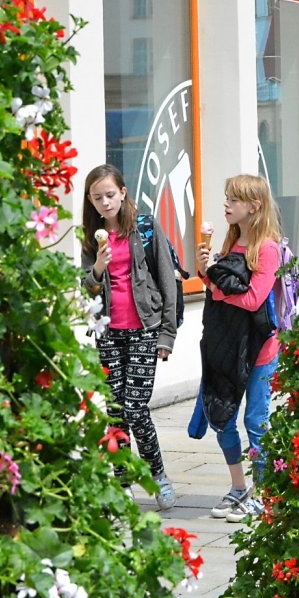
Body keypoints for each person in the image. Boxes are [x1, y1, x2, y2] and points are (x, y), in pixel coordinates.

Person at [80, 164, 178, 510]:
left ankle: (158, 477)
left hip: (144, 330)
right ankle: (122, 484)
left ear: (123, 192)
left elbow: (167, 279)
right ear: (90, 202)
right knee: (115, 411)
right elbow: (87, 289)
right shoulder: (91, 237)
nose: (105, 202)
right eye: (97, 198)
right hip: (108, 333)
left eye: (110, 194)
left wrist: (167, 334)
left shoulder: (146, 228)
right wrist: (98, 268)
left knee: (136, 408)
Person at [195, 174, 282, 523]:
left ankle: (264, 493)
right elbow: (217, 287)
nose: (226, 204)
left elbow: (253, 299)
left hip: (260, 351)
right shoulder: (232, 241)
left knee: (256, 420)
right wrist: (205, 270)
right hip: (228, 346)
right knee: (223, 418)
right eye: (227, 197)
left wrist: (215, 283)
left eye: (234, 199)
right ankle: (238, 487)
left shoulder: (268, 248)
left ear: (255, 206)